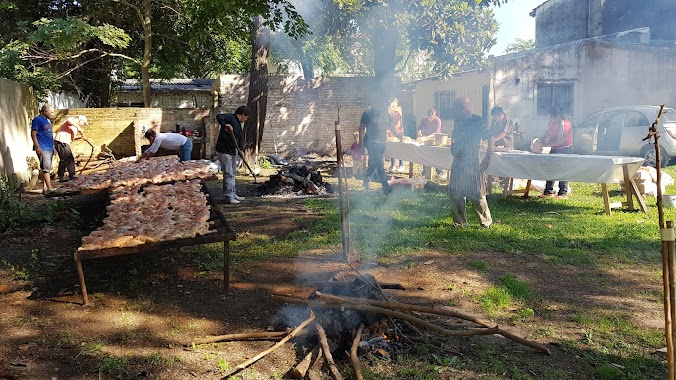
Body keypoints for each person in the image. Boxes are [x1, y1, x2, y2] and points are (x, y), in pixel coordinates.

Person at [449, 97, 493, 228]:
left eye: (455, 108)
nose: (453, 111)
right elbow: (456, 136)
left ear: (463, 109)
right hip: (458, 161)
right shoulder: (457, 121)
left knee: (477, 192)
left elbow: (490, 138)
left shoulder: (477, 121)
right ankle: (460, 222)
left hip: (473, 161)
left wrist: (487, 158)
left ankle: (486, 222)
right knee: (456, 192)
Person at [216, 106, 249, 204]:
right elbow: (219, 116)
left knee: (232, 173)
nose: (246, 119)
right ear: (243, 115)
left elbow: (240, 138)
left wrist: (241, 150)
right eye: (246, 117)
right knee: (228, 174)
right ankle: (229, 196)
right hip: (224, 150)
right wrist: (225, 125)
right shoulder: (230, 118)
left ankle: (233, 194)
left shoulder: (238, 124)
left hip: (232, 150)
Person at [539, 105, 573, 198]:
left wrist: (544, 145)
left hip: (565, 149)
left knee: (562, 169)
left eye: (550, 116)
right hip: (554, 148)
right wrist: (541, 140)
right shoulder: (551, 122)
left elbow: (560, 141)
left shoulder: (565, 124)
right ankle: (548, 191)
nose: (549, 118)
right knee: (550, 168)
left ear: (558, 116)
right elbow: (547, 132)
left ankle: (562, 193)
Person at [359, 102, 391, 194]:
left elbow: (390, 124)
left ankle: (366, 182)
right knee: (380, 163)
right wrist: (361, 145)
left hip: (382, 143)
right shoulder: (368, 114)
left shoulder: (386, 113)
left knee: (373, 163)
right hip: (371, 142)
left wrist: (398, 134)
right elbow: (361, 128)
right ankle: (385, 185)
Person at [486, 106, 515, 192]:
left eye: (495, 117)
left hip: (506, 146)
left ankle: (505, 185)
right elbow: (490, 131)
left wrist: (492, 140)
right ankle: (498, 182)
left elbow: (503, 134)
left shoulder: (508, 121)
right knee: (495, 163)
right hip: (496, 147)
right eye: (493, 117)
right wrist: (486, 139)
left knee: (504, 165)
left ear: (501, 115)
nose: (494, 119)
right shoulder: (494, 121)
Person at [54, 115, 89, 182]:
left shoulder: (74, 128)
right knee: (70, 159)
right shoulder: (72, 120)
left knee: (63, 160)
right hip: (61, 141)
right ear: (80, 120)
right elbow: (68, 120)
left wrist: (81, 138)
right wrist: (78, 127)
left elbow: (71, 138)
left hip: (63, 142)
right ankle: (72, 175)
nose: (82, 125)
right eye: (83, 123)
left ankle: (60, 176)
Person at [31, 104, 55, 194]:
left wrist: (53, 147)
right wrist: (37, 146)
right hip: (43, 147)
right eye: (51, 112)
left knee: (48, 168)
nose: (52, 114)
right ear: (45, 111)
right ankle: (50, 189)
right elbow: (33, 133)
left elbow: (50, 135)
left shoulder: (48, 121)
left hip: (49, 147)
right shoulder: (37, 120)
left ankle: (45, 189)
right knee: (45, 169)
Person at [386, 98, 405, 172]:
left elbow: (397, 119)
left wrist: (393, 112)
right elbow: (388, 120)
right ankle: (393, 164)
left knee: (400, 148)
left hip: (399, 131)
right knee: (392, 148)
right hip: (391, 131)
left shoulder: (398, 110)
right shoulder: (389, 111)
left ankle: (401, 165)